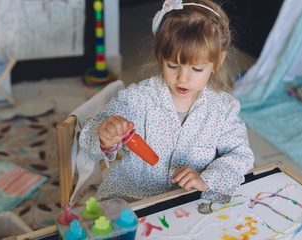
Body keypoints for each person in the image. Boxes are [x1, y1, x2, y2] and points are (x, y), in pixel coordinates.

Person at [79, 0, 254, 204]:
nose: (183, 78)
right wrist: (104, 136)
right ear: (160, 56)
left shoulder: (222, 109)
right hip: (133, 198)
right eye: (173, 65)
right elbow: (88, 138)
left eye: (196, 69)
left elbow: (241, 156)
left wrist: (206, 179)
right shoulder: (138, 99)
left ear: (217, 62)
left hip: (189, 202)